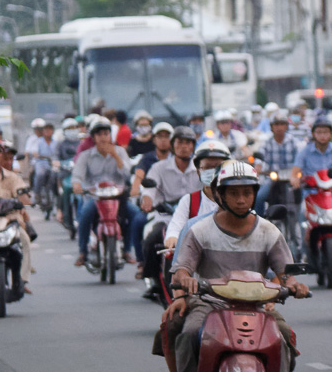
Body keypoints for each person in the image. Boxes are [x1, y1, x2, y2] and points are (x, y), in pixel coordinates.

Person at [162, 160, 308, 372]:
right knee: (189, 333)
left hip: (257, 306)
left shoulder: (269, 231)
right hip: (209, 304)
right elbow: (181, 269)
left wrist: (294, 286)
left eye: (247, 192)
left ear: (255, 194)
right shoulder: (200, 230)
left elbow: (286, 273)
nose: (241, 199)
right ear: (220, 195)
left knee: (282, 340)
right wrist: (185, 279)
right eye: (234, 193)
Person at [138, 127, 203, 289]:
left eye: (188, 142)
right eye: (180, 142)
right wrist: (147, 199)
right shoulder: (159, 167)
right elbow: (149, 189)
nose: (184, 146)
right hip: (165, 216)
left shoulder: (201, 169)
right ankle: (153, 279)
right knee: (152, 239)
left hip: (194, 217)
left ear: (193, 146)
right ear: (173, 145)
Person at [71, 117, 135, 268]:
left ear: (110, 136)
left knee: (136, 215)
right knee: (84, 215)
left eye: (106, 134)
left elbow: (127, 174)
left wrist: (115, 156)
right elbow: (77, 175)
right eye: (99, 134)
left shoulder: (120, 152)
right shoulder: (86, 155)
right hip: (95, 197)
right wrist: (77, 185)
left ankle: (127, 250)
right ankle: (82, 252)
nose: (103, 137)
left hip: (118, 197)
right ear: (93, 137)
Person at [165, 141, 233, 259]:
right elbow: (175, 227)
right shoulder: (189, 201)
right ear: (198, 170)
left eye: (218, 167)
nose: (213, 171)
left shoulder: (235, 201)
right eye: (207, 167)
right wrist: (172, 238)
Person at [0, 141, 35, 293]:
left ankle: (22, 280)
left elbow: (24, 196)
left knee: (24, 240)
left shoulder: (12, 177)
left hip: (9, 221)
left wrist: (24, 201)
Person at [256, 112, 302, 220]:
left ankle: (300, 225)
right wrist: (258, 166)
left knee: (303, 200)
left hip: (292, 178)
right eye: (276, 124)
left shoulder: (294, 142)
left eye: (282, 124)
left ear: (286, 126)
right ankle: (259, 222)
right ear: (272, 127)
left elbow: (300, 159)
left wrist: (297, 173)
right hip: (272, 179)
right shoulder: (266, 143)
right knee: (258, 197)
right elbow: (260, 158)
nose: (279, 127)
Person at [290, 117, 332, 189]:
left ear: (331, 134)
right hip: (311, 191)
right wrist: (294, 179)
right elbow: (294, 172)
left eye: (325, 132)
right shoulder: (305, 151)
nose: (322, 136)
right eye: (319, 132)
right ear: (313, 134)